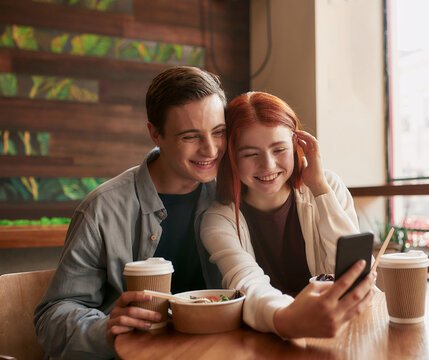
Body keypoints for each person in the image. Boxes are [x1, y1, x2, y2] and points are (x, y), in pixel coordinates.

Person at [34, 66, 227, 359]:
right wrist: (106, 329)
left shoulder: (227, 199)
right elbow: (51, 317)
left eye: (219, 132)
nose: (210, 149)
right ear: (155, 134)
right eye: (190, 137)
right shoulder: (101, 208)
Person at [200, 91, 376, 338]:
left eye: (279, 149)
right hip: (266, 335)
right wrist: (290, 318)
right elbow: (245, 284)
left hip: (338, 328)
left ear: (297, 147)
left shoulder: (328, 188)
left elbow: (352, 274)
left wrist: (320, 189)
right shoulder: (218, 219)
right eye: (250, 154)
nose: (268, 165)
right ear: (231, 158)